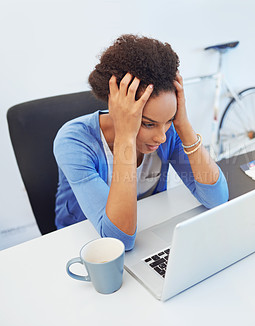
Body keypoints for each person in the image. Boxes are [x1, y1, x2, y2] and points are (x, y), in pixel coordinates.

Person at [53, 34, 229, 250]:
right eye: (148, 124)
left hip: (146, 233)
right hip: (83, 246)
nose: (162, 137)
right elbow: (119, 240)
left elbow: (217, 198)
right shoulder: (74, 141)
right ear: (117, 106)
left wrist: (182, 124)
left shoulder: (169, 132)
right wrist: (126, 138)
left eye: (168, 121)